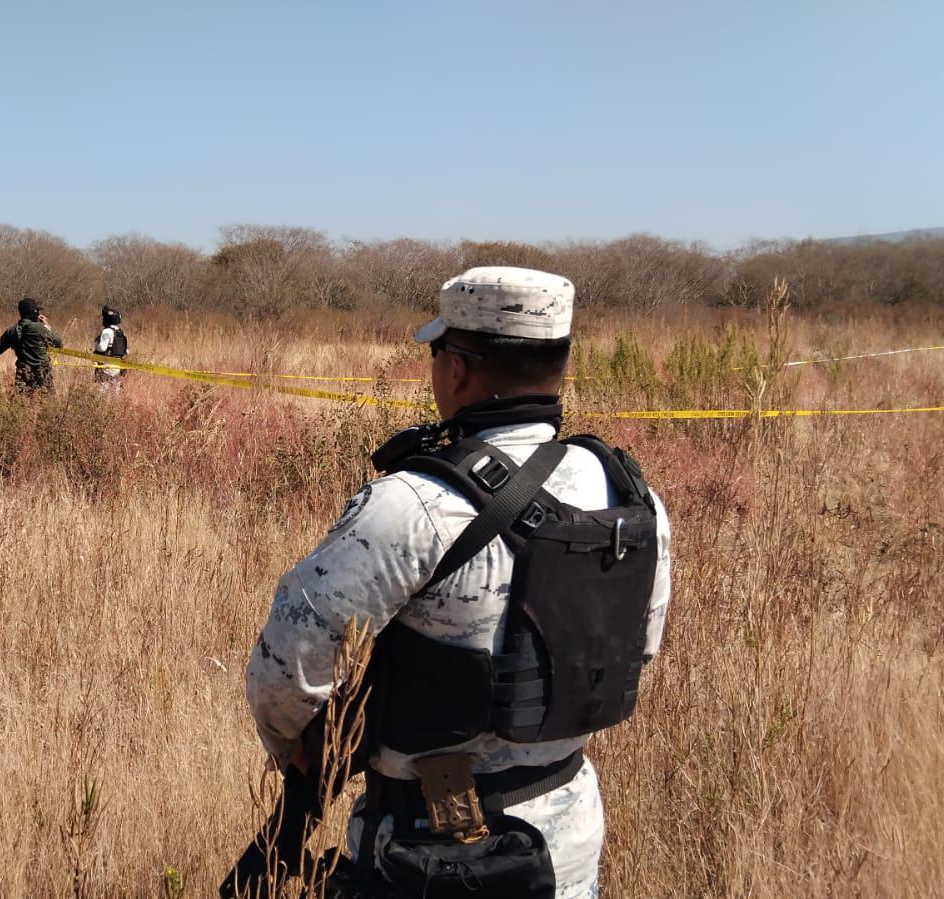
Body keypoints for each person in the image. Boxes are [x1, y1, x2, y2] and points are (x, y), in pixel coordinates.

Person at [241, 266, 672, 898]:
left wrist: (307, 756)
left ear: (457, 368)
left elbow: (284, 671)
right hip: (567, 831)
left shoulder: (410, 504)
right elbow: (640, 649)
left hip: (421, 848)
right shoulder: (632, 498)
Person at [0, 297, 63, 391]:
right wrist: (46, 325)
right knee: (45, 402)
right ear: (35, 312)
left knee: (22, 403)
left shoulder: (12, 331)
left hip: (23, 375)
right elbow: (59, 343)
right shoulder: (41, 328)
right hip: (42, 374)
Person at [92, 305, 129, 387]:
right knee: (115, 391)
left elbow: (102, 348)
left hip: (106, 366)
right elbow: (127, 351)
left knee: (103, 391)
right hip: (118, 366)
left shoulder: (107, 332)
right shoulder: (121, 333)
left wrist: (96, 343)